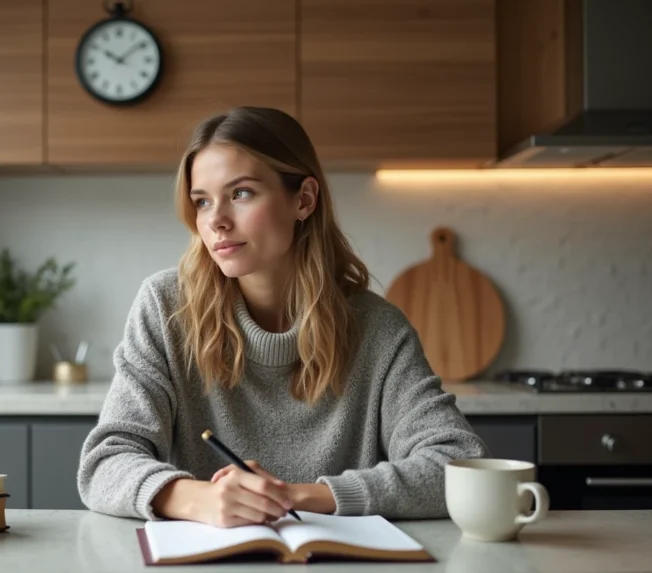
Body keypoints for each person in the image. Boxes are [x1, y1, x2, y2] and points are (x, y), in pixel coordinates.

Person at [77, 106, 488, 528]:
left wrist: (302, 496)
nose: (215, 220)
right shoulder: (166, 308)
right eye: (202, 201)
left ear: (304, 199)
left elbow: (458, 464)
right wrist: (198, 499)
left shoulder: (378, 329)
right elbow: (104, 465)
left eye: (240, 194)